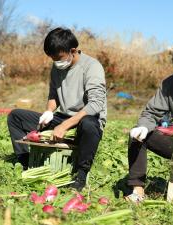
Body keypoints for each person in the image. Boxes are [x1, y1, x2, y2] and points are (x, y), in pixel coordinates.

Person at [7, 27, 107, 192]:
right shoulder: (57, 67)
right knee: (16, 116)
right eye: (52, 58)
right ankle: (25, 161)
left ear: (72, 51)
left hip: (86, 118)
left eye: (58, 57)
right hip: (62, 117)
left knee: (89, 125)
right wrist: (48, 112)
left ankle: (80, 175)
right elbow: (54, 95)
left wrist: (64, 126)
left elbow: (95, 105)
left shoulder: (92, 67)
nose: (56, 62)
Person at [126, 40, 173, 203]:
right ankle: (137, 191)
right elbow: (151, 112)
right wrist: (144, 126)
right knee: (138, 135)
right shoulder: (171, 84)